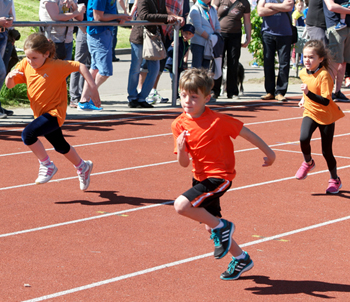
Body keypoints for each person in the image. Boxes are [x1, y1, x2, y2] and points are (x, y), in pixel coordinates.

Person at [171, 68, 276, 280]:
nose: (187, 101)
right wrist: (181, 149)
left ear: (206, 98)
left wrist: (270, 153)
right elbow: (183, 164)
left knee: (181, 206)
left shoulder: (219, 121)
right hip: (200, 177)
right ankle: (241, 258)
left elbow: (248, 134)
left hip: (219, 177)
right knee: (212, 226)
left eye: (194, 97)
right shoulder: (178, 124)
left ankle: (224, 226)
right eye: (183, 95)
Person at [5, 33, 100, 190]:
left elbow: (80, 66)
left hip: (55, 113)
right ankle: (83, 166)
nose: (30, 61)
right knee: (60, 145)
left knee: (27, 134)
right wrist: (10, 76)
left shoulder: (56, 66)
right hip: (40, 114)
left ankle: (47, 165)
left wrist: (93, 88)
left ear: (46, 54)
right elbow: (9, 85)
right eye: (27, 57)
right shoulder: (25, 64)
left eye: (34, 58)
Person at [296, 40, 344, 194]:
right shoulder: (302, 72)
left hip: (326, 116)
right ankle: (308, 162)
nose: (307, 60)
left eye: (311, 57)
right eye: (304, 56)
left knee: (326, 151)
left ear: (321, 59)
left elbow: (324, 101)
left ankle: (334, 179)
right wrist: (304, 98)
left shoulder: (324, 76)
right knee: (303, 138)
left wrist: (308, 93)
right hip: (310, 112)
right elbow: (308, 87)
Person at [78, 0, 131, 111]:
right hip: (98, 34)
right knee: (105, 71)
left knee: (95, 68)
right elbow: (98, 16)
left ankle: (84, 100)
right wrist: (119, 15)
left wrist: (117, 18)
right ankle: (90, 97)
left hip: (104, 32)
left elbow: (104, 14)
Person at [127, 0, 179, 108]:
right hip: (139, 37)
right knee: (136, 68)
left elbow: (163, 14)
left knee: (155, 69)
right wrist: (165, 18)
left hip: (153, 37)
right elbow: (144, 15)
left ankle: (142, 97)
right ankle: (132, 97)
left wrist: (171, 18)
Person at [211, 0, 251, 100]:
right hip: (220, 34)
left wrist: (248, 37)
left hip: (235, 35)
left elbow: (247, 21)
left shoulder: (244, 3)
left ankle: (232, 91)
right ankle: (214, 90)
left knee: (233, 62)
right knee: (217, 62)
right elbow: (212, 14)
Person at [257, 0, 294, 103]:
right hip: (268, 33)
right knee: (268, 62)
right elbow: (260, 12)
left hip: (285, 34)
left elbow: (288, 7)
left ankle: (280, 92)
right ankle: (270, 91)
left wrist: (269, 6)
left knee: (284, 63)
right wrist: (280, 7)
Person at [323, 0, 350, 102]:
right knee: (335, 60)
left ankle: (337, 91)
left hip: (348, 26)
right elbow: (331, 6)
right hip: (335, 27)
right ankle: (328, 91)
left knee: (343, 61)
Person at [69, 0, 90, 108]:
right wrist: (84, 29)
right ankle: (74, 97)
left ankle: (84, 95)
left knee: (89, 64)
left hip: (96, 28)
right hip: (84, 28)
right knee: (78, 63)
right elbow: (76, 13)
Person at [164, 24, 195, 99]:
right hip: (172, 63)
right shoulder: (178, 40)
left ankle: (176, 94)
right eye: (185, 33)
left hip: (179, 64)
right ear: (182, 32)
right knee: (175, 79)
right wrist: (172, 46)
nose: (187, 35)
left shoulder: (186, 43)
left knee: (178, 79)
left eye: (189, 34)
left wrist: (185, 63)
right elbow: (169, 52)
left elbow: (185, 53)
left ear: (192, 35)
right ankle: (175, 95)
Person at [188, 0, 221, 70]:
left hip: (209, 44)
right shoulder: (195, 8)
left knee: (206, 71)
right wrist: (210, 38)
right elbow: (197, 28)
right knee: (196, 70)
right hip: (198, 44)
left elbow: (217, 25)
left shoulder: (212, 9)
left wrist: (216, 36)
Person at [0, 0, 14, 119]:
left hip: (3, 35)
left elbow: (10, 12)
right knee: (1, 71)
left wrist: (10, 20)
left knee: (1, 72)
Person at [291, 0, 305, 70]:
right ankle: (294, 63)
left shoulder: (301, 13)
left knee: (301, 48)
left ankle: (300, 62)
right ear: (295, 5)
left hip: (302, 31)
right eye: (299, 5)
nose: (300, 7)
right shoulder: (296, 13)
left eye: (302, 5)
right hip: (297, 31)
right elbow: (294, 23)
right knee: (294, 48)